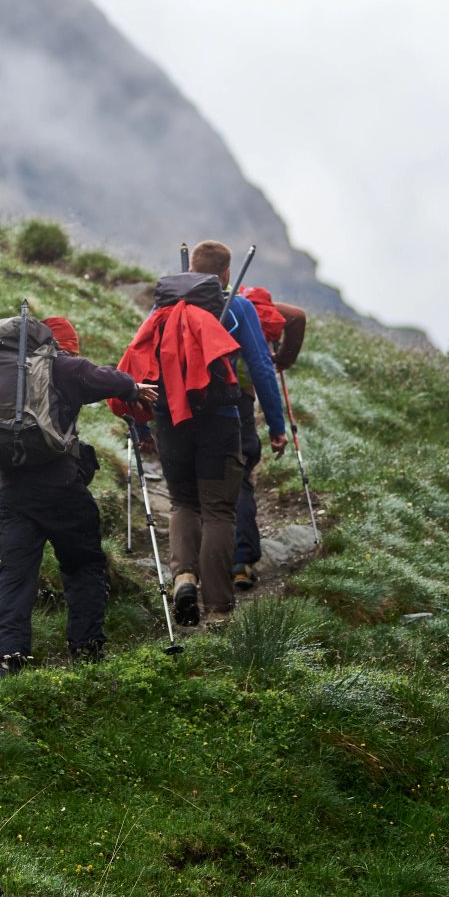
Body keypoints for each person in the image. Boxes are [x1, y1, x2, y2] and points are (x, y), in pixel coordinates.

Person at [116, 240, 284, 624]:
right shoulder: (237, 307)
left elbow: (139, 362)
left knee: (182, 503)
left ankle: (184, 577)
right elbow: (260, 367)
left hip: (170, 419)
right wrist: (276, 425)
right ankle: (219, 609)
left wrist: (141, 424)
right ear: (225, 274)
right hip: (222, 420)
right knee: (219, 510)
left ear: (190, 269)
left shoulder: (161, 307)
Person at [0, 315, 154, 674]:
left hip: (13, 491)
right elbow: (104, 377)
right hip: (61, 490)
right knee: (83, 564)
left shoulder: (4, 372)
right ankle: (86, 648)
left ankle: (4, 657)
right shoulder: (62, 365)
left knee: (15, 574)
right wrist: (132, 389)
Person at [232, 286, 306, 589]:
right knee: (239, 479)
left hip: (195, 400)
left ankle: (195, 566)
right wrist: (284, 360)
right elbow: (298, 316)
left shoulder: (201, 302)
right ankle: (242, 561)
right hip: (240, 397)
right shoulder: (257, 305)